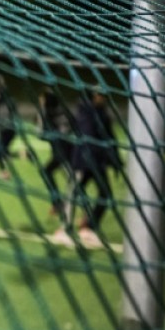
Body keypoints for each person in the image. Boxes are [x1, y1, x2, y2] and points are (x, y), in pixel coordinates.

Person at [67, 85, 122, 247]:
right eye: (100, 95)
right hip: (86, 161)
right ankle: (70, 228)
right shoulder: (86, 113)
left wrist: (115, 160)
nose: (103, 98)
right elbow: (89, 138)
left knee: (102, 194)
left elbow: (110, 138)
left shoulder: (102, 114)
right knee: (76, 193)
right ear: (93, 96)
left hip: (96, 161)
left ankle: (86, 227)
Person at [38, 88, 75, 222]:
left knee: (73, 179)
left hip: (62, 150)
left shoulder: (48, 113)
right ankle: (58, 203)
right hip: (72, 148)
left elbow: (41, 134)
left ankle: (63, 207)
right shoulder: (63, 109)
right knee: (49, 172)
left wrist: (41, 110)